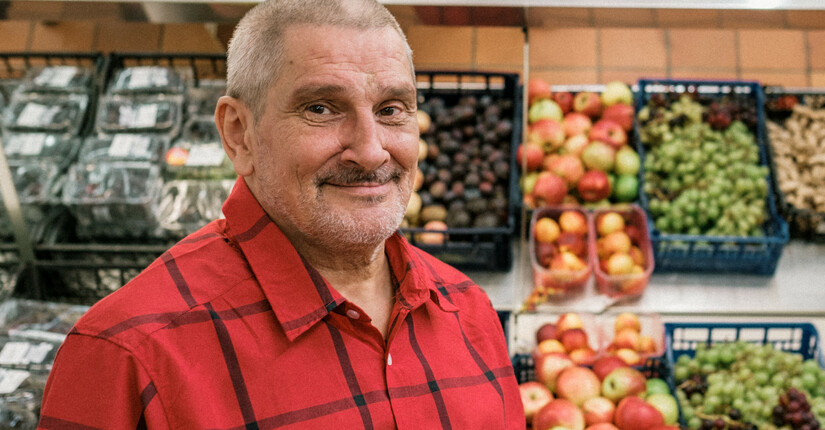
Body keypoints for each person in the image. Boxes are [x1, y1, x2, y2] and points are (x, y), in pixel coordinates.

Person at [37, 0, 523, 427]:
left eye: (392, 109)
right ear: (238, 134)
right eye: (320, 108)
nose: (372, 152)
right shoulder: (126, 356)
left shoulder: (469, 312)